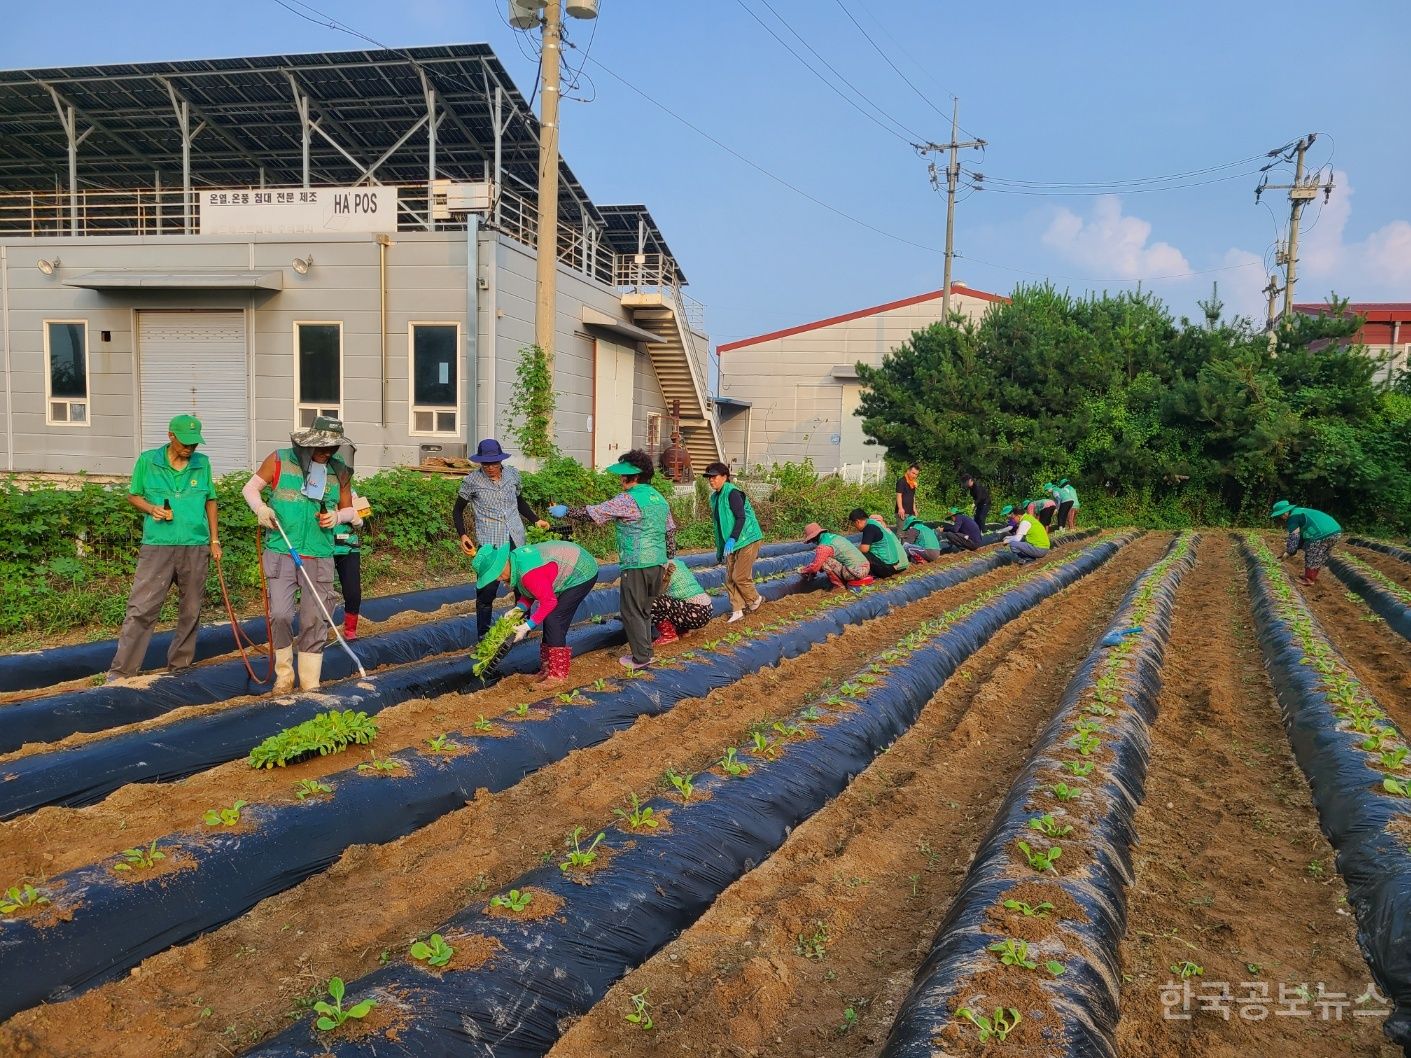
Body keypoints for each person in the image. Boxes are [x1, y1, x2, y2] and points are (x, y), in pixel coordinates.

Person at [242, 416, 357, 694]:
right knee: (280, 614)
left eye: (331, 448)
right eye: (321, 447)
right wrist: (260, 509)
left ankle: (310, 682)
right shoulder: (280, 460)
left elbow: (352, 511)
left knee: (314, 617)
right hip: (282, 548)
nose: (325, 453)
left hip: (319, 554)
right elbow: (250, 488)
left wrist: (336, 516)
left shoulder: (339, 471)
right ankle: (284, 676)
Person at [107, 414, 220, 683]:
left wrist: (214, 540)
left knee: (191, 609)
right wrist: (152, 509)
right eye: (185, 443)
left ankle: (179, 667)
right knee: (142, 608)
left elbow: (211, 501)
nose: (190, 448)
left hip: (195, 544)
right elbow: (133, 495)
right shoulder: (148, 460)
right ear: (171, 436)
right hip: (158, 545)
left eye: (194, 444)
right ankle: (122, 672)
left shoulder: (202, 463)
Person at [550, 449, 675, 670]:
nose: (620, 479)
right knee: (644, 609)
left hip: (636, 563)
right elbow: (670, 531)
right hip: (657, 562)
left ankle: (641, 658)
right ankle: (645, 652)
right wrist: (668, 559)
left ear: (634, 476)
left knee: (631, 611)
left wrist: (566, 511)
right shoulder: (658, 498)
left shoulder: (628, 499)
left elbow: (595, 513)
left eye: (623, 475)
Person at [453, 438, 549, 640]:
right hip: (491, 542)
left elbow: (519, 501)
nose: (490, 468)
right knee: (487, 590)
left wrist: (535, 519)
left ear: (501, 461)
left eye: (494, 463)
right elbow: (458, 510)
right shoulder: (471, 481)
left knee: (522, 585)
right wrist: (462, 535)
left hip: (516, 537)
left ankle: (522, 629)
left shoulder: (512, 475)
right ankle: (484, 635)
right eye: (486, 464)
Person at [472, 538, 599, 686]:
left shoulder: (528, 573)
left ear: (501, 567)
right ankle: (546, 670)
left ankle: (558, 675)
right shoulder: (515, 562)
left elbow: (549, 601)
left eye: (497, 576)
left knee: (554, 618)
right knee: (550, 618)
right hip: (569, 562)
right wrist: (519, 609)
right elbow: (531, 591)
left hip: (581, 571)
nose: (499, 580)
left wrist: (527, 626)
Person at [704, 461, 763, 624]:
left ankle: (755, 599)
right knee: (729, 577)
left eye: (714, 477)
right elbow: (718, 524)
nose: (711, 480)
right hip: (731, 541)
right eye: (709, 477)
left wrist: (732, 538)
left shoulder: (732, 493)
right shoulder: (715, 498)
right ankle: (737, 610)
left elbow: (741, 517)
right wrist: (721, 547)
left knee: (740, 576)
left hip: (747, 539)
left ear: (725, 477)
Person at [1270, 500, 1342, 585]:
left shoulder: (1293, 518)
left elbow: (1294, 537)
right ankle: (1311, 577)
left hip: (1321, 533)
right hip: (1335, 532)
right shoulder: (1299, 511)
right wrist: (1292, 550)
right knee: (1319, 555)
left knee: (1312, 553)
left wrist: (1289, 551)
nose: (1282, 517)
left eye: (1281, 515)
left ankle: (1309, 579)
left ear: (1286, 512)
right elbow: (1301, 539)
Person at [332, 476, 367, 641]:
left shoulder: (352, 493)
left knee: (353, 591)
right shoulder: (317, 492)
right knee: (319, 592)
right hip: (323, 548)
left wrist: (355, 518)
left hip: (349, 546)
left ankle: (350, 630)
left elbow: (362, 521)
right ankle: (315, 630)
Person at [651, 558, 715, 645]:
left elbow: (658, 593)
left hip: (694, 613)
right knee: (675, 602)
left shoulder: (661, 565)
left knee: (652, 600)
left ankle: (668, 635)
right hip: (706, 610)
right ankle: (684, 630)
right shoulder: (677, 562)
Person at [799, 522, 872, 591]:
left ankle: (839, 586)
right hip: (866, 567)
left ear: (814, 537)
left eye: (811, 540)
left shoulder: (824, 546)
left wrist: (804, 570)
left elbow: (815, 567)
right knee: (825, 559)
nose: (812, 542)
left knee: (825, 561)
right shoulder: (835, 537)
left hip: (856, 573)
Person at [852, 508, 910, 578]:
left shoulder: (869, 528)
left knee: (860, 553)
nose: (855, 528)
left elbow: (864, 549)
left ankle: (861, 574)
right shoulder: (876, 524)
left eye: (854, 524)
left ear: (857, 521)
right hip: (895, 564)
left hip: (887, 568)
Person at [895, 463, 920, 531]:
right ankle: (899, 542)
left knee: (910, 532)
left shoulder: (913, 483)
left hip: (911, 512)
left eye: (916, 474)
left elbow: (913, 497)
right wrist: (900, 508)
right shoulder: (901, 481)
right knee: (901, 532)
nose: (914, 476)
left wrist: (914, 509)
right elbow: (898, 495)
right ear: (908, 471)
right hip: (902, 512)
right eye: (913, 473)